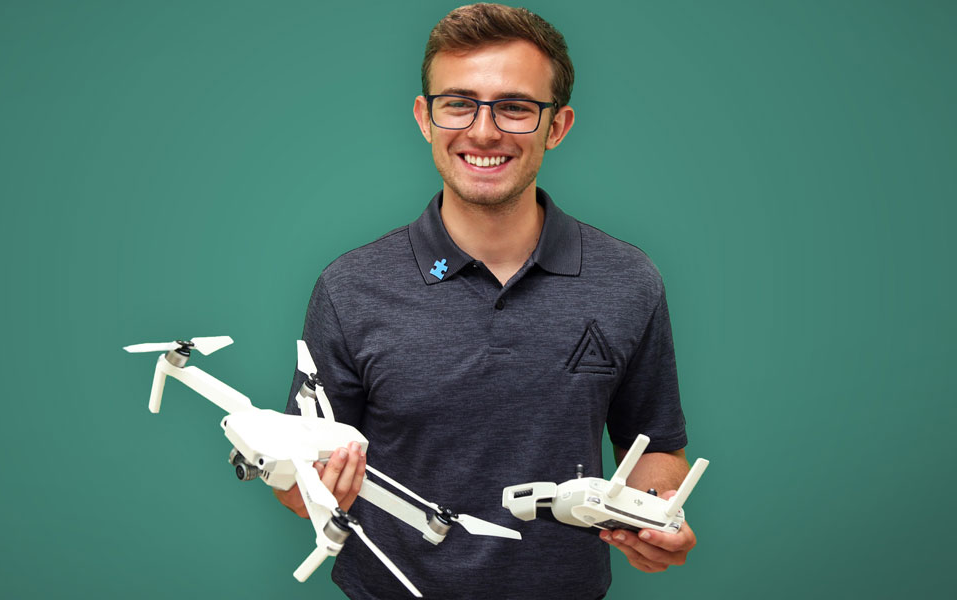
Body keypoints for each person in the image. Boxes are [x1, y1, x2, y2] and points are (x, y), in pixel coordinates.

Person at [274, 4, 698, 598]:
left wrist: (656, 515)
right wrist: (311, 489)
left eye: (516, 107)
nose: (483, 131)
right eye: (459, 103)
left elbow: (653, 448)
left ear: (558, 126)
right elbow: (295, 483)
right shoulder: (350, 288)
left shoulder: (629, 280)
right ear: (425, 118)